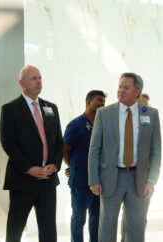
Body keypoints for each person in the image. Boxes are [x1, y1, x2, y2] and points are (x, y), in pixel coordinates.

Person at [88, 72, 161, 242]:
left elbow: (156, 151)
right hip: (110, 178)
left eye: (126, 88)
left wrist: (152, 180)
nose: (121, 91)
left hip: (139, 179)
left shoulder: (150, 114)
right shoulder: (103, 113)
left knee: (136, 227)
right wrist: (94, 179)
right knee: (107, 226)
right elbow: (94, 149)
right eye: (120, 86)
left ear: (137, 91)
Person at [0, 65, 63, 242]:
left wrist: (55, 165)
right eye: (33, 78)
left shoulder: (51, 108)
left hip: (48, 180)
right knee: (15, 228)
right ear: (22, 83)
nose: (38, 82)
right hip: (22, 180)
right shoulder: (10, 109)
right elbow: (8, 144)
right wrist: (29, 168)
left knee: (49, 230)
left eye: (40, 78)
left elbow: (59, 141)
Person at [63, 90, 106, 242]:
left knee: (96, 218)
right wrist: (73, 166)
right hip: (81, 182)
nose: (101, 103)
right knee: (79, 219)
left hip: (99, 182)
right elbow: (65, 150)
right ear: (88, 101)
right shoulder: (76, 125)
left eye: (103, 101)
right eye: (98, 100)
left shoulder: (102, 125)